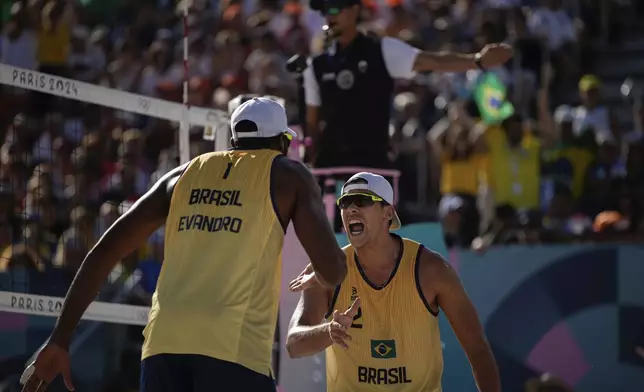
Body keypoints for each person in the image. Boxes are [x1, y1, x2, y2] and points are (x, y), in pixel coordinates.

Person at [20, 97, 348, 392]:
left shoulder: (181, 176)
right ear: (283, 142)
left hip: (164, 343)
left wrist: (60, 339)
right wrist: (324, 270)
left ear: (233, 140)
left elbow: (103, 253)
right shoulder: (289, 174)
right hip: (232, 347)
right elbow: (333, 271)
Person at [285, 172, 500, 392]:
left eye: (362, 201)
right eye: (345, 203)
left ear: (388, 212)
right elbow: (293, 344)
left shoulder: (431, 269)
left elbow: (477, 349)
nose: (351, 209)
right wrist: (329, 331)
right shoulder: (327, 272)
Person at [304, 0, 513, 169]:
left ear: (355, 9)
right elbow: (312, 123)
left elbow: (432, 61)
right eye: (324, 11)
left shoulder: (381, 50)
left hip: (373, 169)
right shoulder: (316, 66)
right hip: (330, 170)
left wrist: (477, 61)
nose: (329, 16)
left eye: (334, 8)